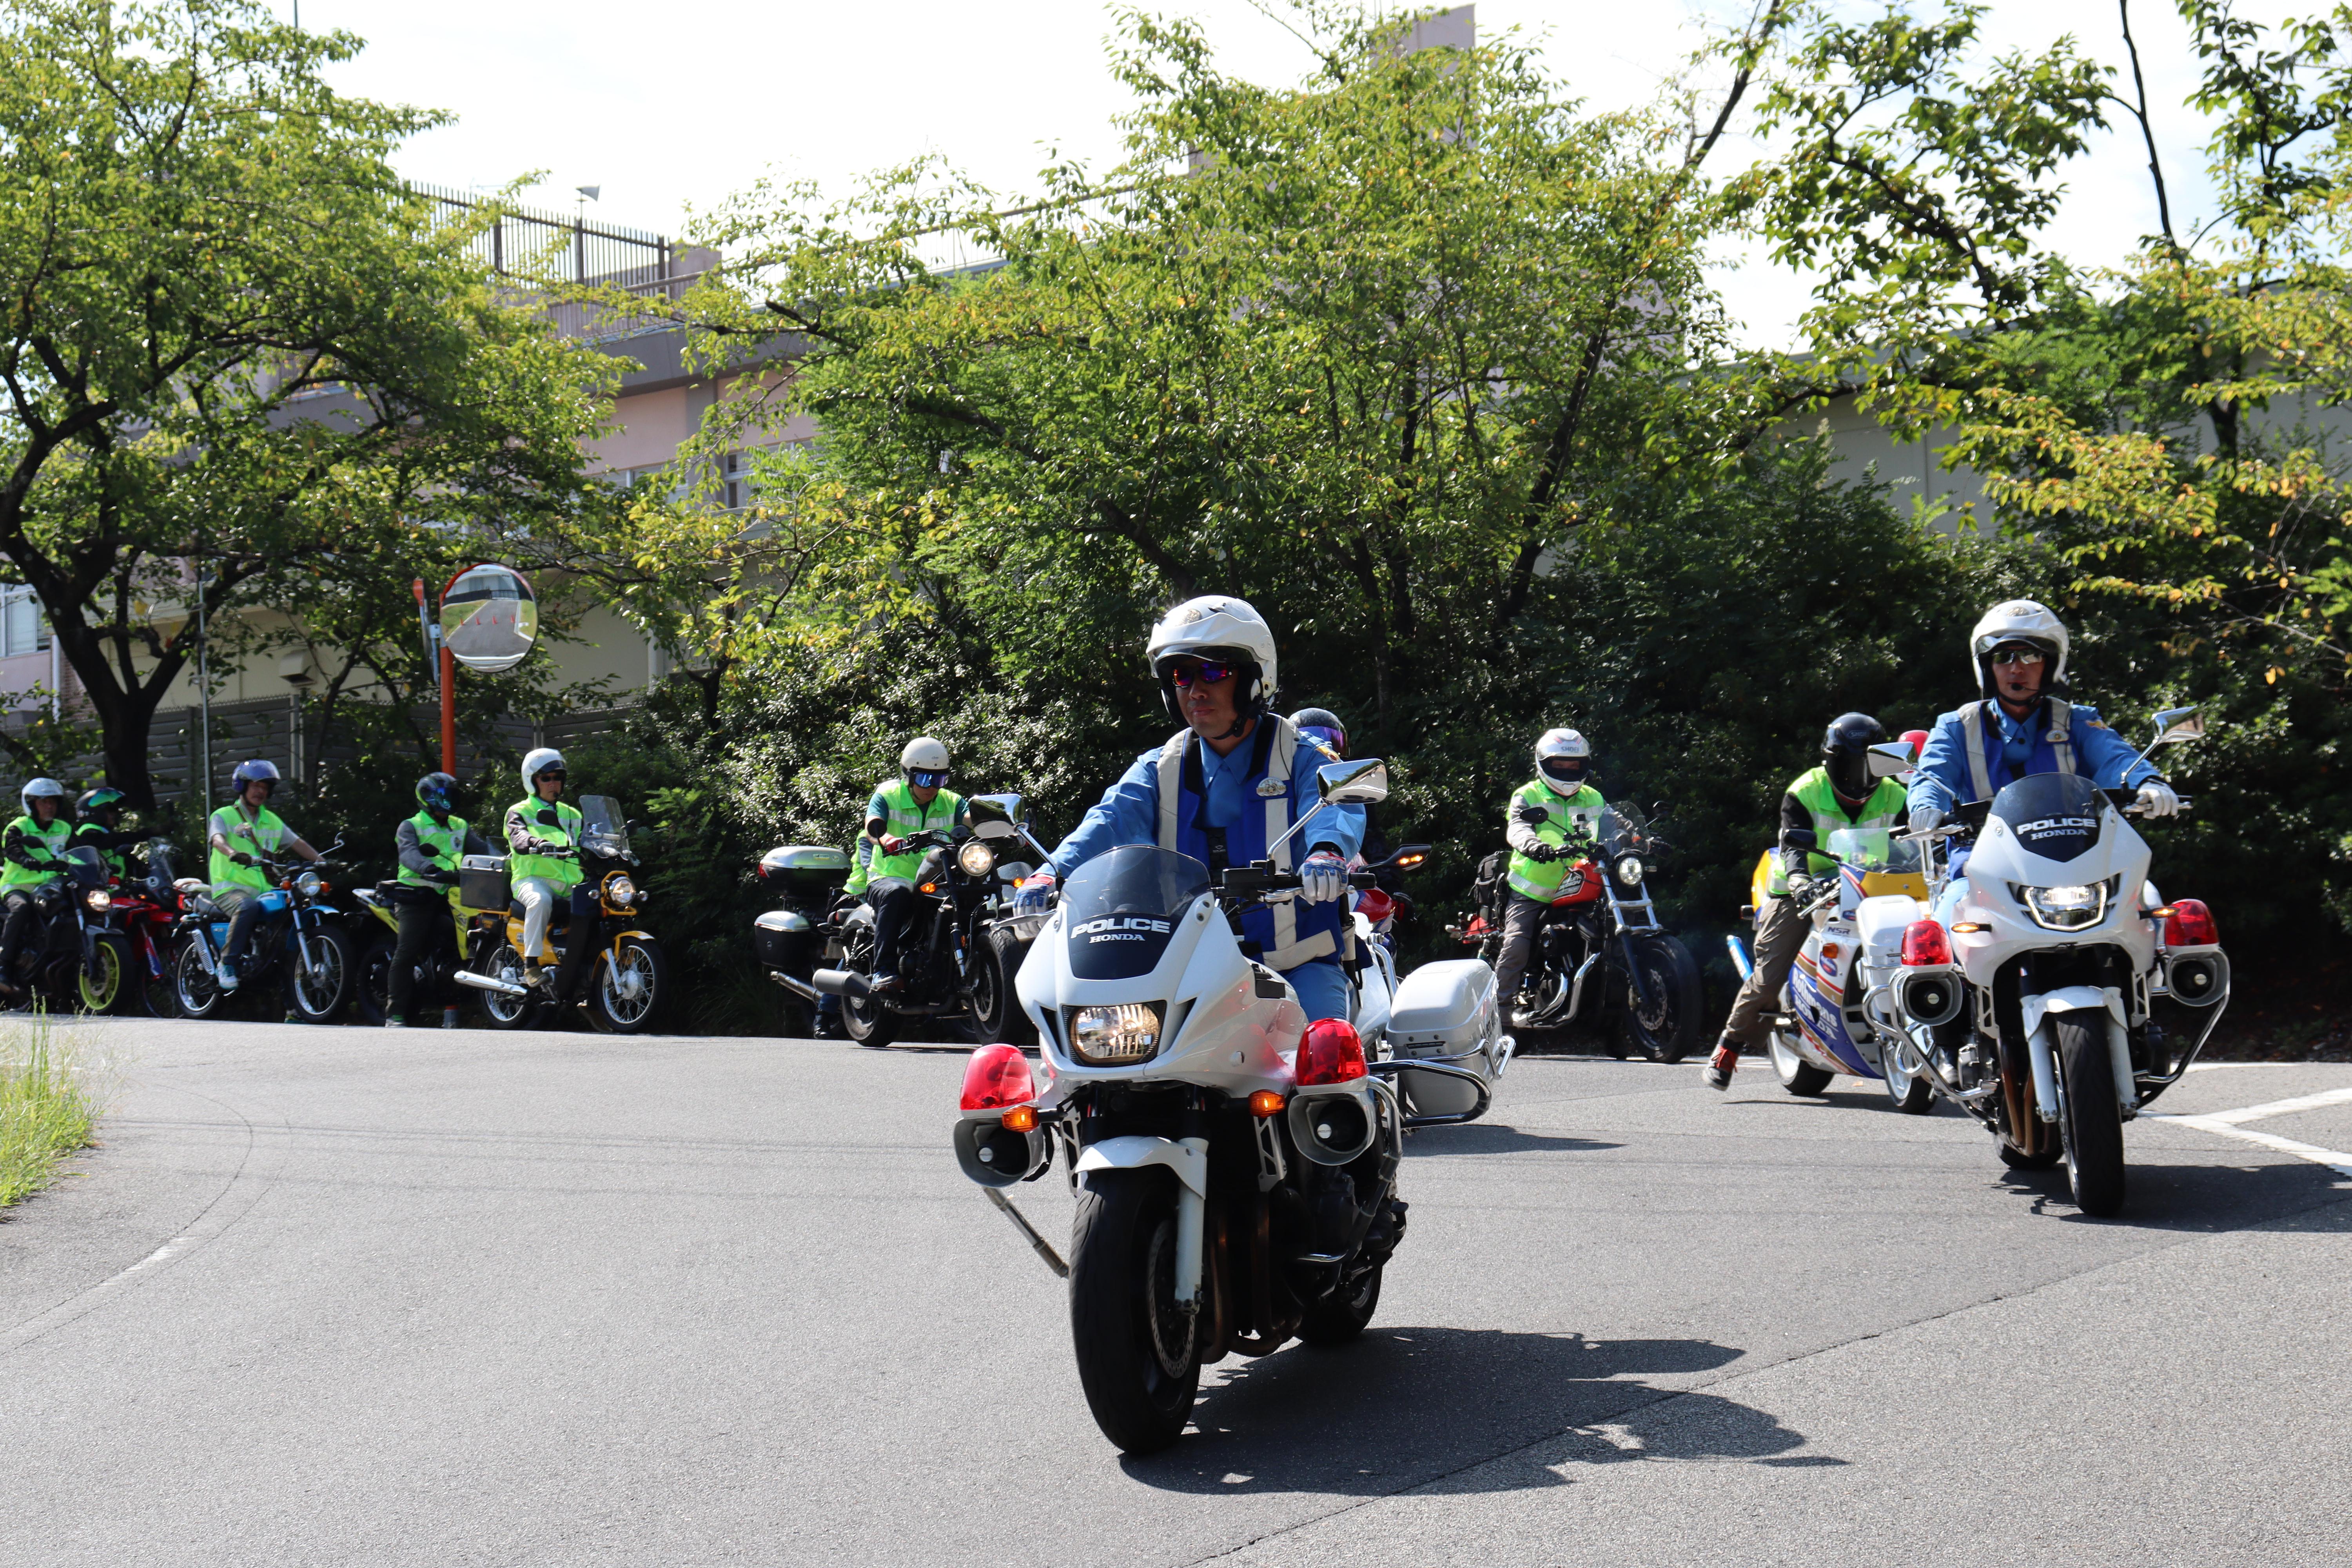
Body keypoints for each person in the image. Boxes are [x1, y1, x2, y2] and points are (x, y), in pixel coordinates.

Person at [1022, 597, 1365, 1023]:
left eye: (1214, 671)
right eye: (1182, 676)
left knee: (1324, 1063)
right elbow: (1109, 820)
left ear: (1256, 678)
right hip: (1183, 976)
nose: (1196, 690)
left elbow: (1335, 806)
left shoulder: (1301, 755)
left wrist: (1326, 852)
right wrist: (1050, 871)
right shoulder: (1158, 768)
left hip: (1296, 968)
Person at [1704, 713, 1910, 1090]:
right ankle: (1729, 1047)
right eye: (1851, 766)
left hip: (1875, 888)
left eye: (1869, 766)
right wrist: (1799, 879)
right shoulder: (1806, 791)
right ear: (1832, 762)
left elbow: (1916, 844)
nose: (1860, 776)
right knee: (1769, 978)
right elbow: (1792, 846)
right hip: (1805, 891)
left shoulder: (1898, 795)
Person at [1907, 601, 2176, 878]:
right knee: (1951, 917)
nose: (2016, 668)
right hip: (1981, 866)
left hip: (2080, 861)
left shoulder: (2079, 721)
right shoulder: (1956, 727)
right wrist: (1926, 808)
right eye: (2003, 657)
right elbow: (1932, 775)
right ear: (1987, 666)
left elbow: (2115, 758)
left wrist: (2146, 782)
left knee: (2148, 905)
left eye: (2030, 655)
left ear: (2051, 663)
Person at [1490, 728, 1607, 1023]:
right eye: (1560, 765)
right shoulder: (1528, 794)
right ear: (1544, 763)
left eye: (1575, 765)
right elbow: (1517, 827)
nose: (1568, 771)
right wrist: (1535, 846)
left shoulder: (1593, 797)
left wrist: (1638, 839)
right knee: (1516, 944)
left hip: (1582, 884)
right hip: (1534, 890)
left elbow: (1614, 824)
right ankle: (1500, 1017)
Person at [840, 737, 968, 994]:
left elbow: (972, 817)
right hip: (888, 878)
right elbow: (872, 825)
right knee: (897, 894)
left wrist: (1005, 824)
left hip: (935, 882)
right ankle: (883, 971)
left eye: (940, 779)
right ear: (908, 775)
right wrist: (885, 838)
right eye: (924, 779)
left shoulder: (952, 802)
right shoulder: (889, 795)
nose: (932, 787)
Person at [209, 759, 323, 993]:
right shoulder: (224, 815)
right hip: (230, 890)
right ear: (241, 786)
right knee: (247, 908)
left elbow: (297, 843)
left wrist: (322, 861)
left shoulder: (271, 820)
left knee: (290, 917)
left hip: (264, 891)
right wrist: (232, 853)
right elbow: (217, 840)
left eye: (265, 787)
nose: (260, 791)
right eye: (255, 786)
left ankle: (291, 1000)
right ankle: (227, 964)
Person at [387, 772, 490, 1028]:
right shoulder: (411, 825)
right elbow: (409, 854)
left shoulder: (460, 826)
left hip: (451, 893)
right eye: (444, 796)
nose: (449, 801)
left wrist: (504, 862)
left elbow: (484, 850)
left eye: (452, 796)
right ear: (428, 798)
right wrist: (427, 869)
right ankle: (395, 1013)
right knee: (407, 949)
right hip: (416, 895)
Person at [505, 748, 596, 998]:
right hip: (532, 880)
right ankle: (531, 964)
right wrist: (535, 843)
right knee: (540, 901)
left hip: (571, 884)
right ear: (533, 781)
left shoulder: (573, 814)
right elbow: (518, 837)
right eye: (546, 778)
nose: (553, 783)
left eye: (558, 778)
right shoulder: (519, 811)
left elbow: (591, 841)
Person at [0, 778, 73, 994]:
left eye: (53, 802)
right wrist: (25, 860)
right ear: (31, 804)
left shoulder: (65, 828)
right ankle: (3, 966)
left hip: (52, 886)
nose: (49, 806)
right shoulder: (19, 827)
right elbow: (12, 849)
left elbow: (81, 851)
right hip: (19, 886)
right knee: (21, 908)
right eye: (44, 802)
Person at [71, 786, 141, 881]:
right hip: (96, 892)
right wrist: (146, 834)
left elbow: (131, 863)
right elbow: (107, 841)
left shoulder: (107, 834)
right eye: (111, 810)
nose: (115, 814)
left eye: (115, 810)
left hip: (117, 890)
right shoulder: (88, 833)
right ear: (96, 812)